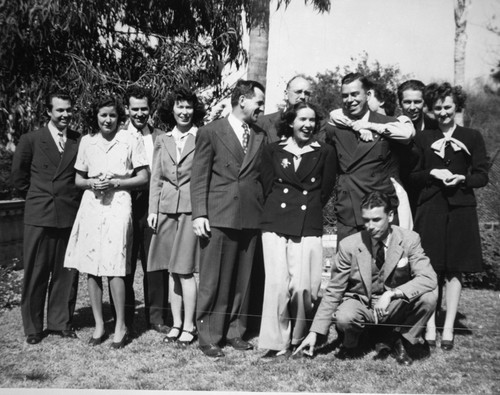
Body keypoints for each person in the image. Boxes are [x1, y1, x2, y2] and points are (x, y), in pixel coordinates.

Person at [295, 192, 437, 365]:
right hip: (361, 305)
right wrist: (315, 332)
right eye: (366, 220)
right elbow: (334, 291)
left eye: (376, 219)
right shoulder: (349, 245)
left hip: (393, 306)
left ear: (390, 216)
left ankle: (402, 341)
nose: (370, 226)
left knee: (428, 297)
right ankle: (354, 342)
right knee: (345, 316)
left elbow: (428, 277)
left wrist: (391, 294)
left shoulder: (409, 239)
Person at [64, 95, 149, 348]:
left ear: (118, 117)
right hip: (92, 205)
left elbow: (144, 177)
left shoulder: (130, 140)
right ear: (96, 117)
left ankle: (121, 324)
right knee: (91, 266)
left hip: (119, 205)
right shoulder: (87, 142)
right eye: (103, 115)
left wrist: (117, 182)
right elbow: (78, 180)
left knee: (116, 265)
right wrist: (92, 182)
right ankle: (100, 325)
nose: (108, 120)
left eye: (112, 115)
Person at [191, 79, 266, 358]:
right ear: (242, 100)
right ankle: (209, 335)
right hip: (219, 216)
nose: (261, 107)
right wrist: (199, 213)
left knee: (242, 280)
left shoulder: (260, 134)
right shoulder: (210, 132)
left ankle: (236, 331)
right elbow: (199, 176)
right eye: (258, 101)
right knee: (214, 280)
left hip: (250, 216)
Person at [411, 82, 489, 351]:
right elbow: (413, 175)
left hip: (460, 208)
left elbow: (482, 175)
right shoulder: (423, 138)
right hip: (430, 207)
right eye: (437, 108)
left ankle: (448, 328)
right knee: (430, 267)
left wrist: (462, 178)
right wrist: (433, 174)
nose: (443, 112)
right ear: (431, 110)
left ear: (457, 107)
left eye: (448, 107)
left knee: (454, 269)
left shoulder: (472, 136)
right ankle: (430, 326)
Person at [258, 102, 336, 359]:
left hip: (308, 223)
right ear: (290, 122)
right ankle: (276, 341)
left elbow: (324, 190)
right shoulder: (273, 150)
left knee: (304, 287)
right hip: (275, 222)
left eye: (312, 120)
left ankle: (300, 339)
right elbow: (267, 185)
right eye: (302, 119)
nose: (308, 125)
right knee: (278, 286)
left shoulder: (325, 151)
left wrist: (309, 208)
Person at [11, 89, 81, 345]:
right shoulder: (31, 139)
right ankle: (33, 327)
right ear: (48, 112)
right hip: (39, 215)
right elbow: (18, 179)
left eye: (68, 110)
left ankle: (60, 321)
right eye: (60, 110)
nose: (65, 114)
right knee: (36, 272)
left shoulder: (78, 140)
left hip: (68, 214)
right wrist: (40, 197)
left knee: (66, 272)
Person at [325, 73, 414, 244]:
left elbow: (407, 138)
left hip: (380, 206)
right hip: (348, 210)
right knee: (349, 266)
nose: (350, 100)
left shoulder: (387, 123)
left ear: (368, 95)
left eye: (355, 94)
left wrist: (370, 126)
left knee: (384, 265)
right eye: (345, 95)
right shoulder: (335, 126)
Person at [147, 87, 205, 345]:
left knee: (185, 270)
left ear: (195, 110)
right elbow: (156, 178)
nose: (184, 111)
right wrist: (153, 209)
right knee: (171, 270)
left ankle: (190, 325)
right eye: (179, 106)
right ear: (172, 110)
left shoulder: (202, 136)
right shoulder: (163, 139)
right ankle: (177, 323)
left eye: (189, 107)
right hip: (166, 209)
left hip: (191, 210)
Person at [122, 86, 166, 334]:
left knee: (155, 264)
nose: (139, 114)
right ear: (127, 110)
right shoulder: (117, 136)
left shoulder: (161, 137)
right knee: (125, 265)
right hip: (125, 207)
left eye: (144, 109)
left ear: (150, 110)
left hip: (153, 207)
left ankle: (157, 317)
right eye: (135, 109)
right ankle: (124, 318)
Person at [397, 80, 439, 215]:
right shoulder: (392, 130)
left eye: (417, 102)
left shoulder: (436, 128)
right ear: (400, 104)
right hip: (404, 202)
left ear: (424, 103)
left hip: (434, 200)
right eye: (407, 102)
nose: (413, 107)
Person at [256, 74, 314, 143]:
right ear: (286, 94)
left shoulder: (318, 125)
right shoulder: (263, 123)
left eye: (307, 93)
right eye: (298, 92)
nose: (303, 96)